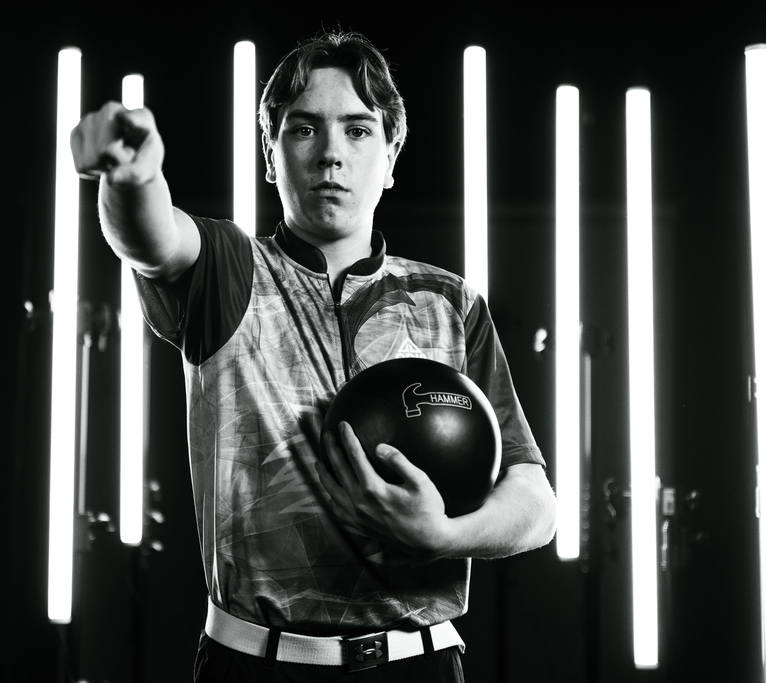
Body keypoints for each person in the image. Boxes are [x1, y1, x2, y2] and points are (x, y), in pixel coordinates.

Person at [71, 30, 556, 682]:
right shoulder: (228, 268)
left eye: (358, 131)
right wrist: (132, 177)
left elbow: (533, 497)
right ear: (270, 157)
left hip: (421, 664)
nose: (331, 153)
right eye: (304, 130)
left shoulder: (449, 300)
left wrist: (443, 533)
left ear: (390, 158)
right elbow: (154, 239)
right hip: (255, 664)